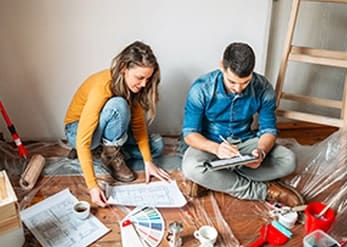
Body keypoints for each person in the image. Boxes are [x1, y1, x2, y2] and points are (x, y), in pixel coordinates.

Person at [181, 42, 304, 207]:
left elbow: (268, 130)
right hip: (211, 144)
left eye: (245, 82)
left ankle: (216, 178)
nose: (238, 88)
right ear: (222, 67)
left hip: (245, 142)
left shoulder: (263, 87)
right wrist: (217, 149)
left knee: (288, 160)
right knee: (190, 167)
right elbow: (190, 134)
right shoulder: (201, 88)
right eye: (232, 82)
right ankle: (264, 191)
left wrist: (261, 151)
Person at [64, 41, 171, 207]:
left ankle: (105, 151)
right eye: (140, 77)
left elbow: (138, 127)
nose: (144, 84)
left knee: (157, 145)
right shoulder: (103, 86)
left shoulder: (133, 88)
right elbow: (83, 140)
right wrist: (92, 186)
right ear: (124, 68)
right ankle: (107, 153)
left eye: (147, 79)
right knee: (118, 105)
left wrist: (148, 162)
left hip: (106, 134)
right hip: (78, 132)